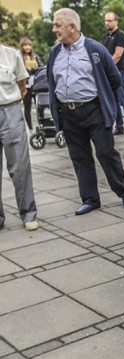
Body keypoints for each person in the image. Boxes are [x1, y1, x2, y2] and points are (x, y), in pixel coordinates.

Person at [47, 8, 124, 215]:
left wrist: (107, 106)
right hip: (68, 114)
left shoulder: (94, 49)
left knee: (106, 153)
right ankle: (90, 199)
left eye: (57, 25)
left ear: (72, 27)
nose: (54, 30)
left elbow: (114, 78)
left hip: (93, 110)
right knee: (80, 158)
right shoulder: (54, 53)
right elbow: (52, 82)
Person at [0, 33, 38, 231]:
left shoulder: (11, 54)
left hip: (10, 110)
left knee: (20, 166)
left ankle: (28, 213)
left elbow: (22, 85)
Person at [102, 12, 124, 138]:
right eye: (106, 20)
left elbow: (117, 54)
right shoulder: (106, 37)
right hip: (110, 74)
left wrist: (106, 67)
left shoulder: (120, 35)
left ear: (116, 21)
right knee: (114, 101)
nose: (107, 23)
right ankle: (119, 126)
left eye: (110, 20)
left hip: (119, 72)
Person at [18, 38, 43, 131]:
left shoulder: (35, 56)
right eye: (25, 45)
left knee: (40, 107)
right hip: (26, 86)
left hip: (36, 86)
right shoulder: (19, 57)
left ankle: (42, 126)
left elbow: (41, 68)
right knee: (27, 107)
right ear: (22, 46)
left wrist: (34, 66)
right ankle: (30, 128)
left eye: (29, 45)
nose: (27, 47)